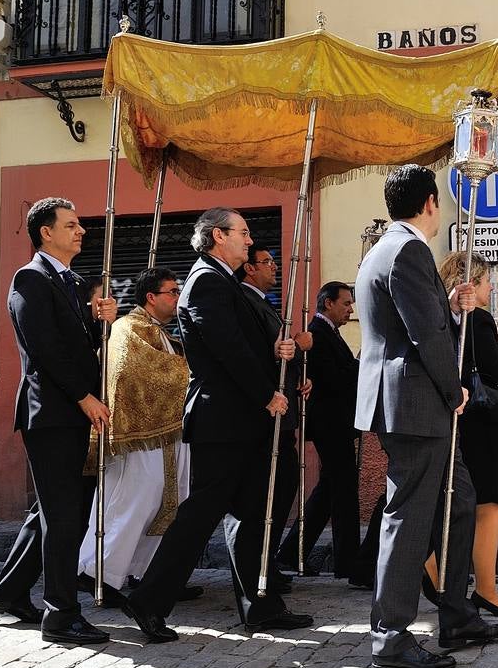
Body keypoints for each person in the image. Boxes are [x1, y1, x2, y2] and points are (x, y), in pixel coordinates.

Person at [122, 208, 312, 643]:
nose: (249, 241)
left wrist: (277, 350)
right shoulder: (206, 281)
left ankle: (259, 605)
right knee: (199, 517)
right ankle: (148, 600)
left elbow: (242, 342)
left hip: (242, 420)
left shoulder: (221, 280)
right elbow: (226, 350)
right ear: (216, 236)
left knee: (251, 514)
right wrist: (268, 393)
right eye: (242, 233)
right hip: (224, 421)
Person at [355, 163, 498, 668]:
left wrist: (451, 303)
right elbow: (424, 336)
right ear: (428, 203)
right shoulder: (409, 250)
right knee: (410, 518)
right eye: (439, 202)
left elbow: (416, 318)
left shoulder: (388, 248)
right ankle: (391, 638)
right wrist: (456, 388)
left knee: (460, 502)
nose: (441, 210)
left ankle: (457, 613)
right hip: (418, 404)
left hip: (415, 403)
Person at [0, 198, 117, 645]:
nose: (81, 231)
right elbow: (44, 347)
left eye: (81, 224)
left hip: (76, 410)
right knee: (64, 517)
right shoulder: (30, 278)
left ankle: (10, 592)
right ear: (46, 232)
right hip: (52, 412)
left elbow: (81, 348)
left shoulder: (75, 281)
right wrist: (84, 398)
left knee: (55, 511)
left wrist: (103, 324)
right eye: (72, 224)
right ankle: (61, 615)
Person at [75, 268, 194, 597]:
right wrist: (194, 374)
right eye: (171, 292)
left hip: (169, 435)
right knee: (131, 505)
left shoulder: (164, 334)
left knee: (165, 505)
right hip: (137, 436)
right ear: (151, 297)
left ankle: (149, 575)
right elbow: (128, 373)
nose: (177, 298)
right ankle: (99, 573)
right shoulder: (128, 328)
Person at [436, 251, 498, 619]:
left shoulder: (444, 316)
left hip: (457, 415)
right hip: (480, 420)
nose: (491, 287)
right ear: (472, 281)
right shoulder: (480, 320)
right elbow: (493, 364)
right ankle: (486, 588)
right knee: (489, 504)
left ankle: (444, 578)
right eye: (488, 280)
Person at [279, 281, 365, 585]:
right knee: (344, 493)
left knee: (329, 491)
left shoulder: (329, 333)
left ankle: (291, 552)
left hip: (337, 422)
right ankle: (349, 563)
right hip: (331, 424)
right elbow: (331, 377)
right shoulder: (316, 334)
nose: (350, 309)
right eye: (345, 303)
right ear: (328, 303)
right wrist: (360, 367)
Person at [238, 246, 310, 592]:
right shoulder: (245, 301)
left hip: (282, 411)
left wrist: (296, 370)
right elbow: (258, 355)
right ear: (249, 268)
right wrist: (293, 345)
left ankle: (265, 563)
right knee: (267, 495)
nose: (274, 268)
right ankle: (259, 567)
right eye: (266, 262)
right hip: (265, 415)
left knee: (282, 490)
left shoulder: (263, 302)